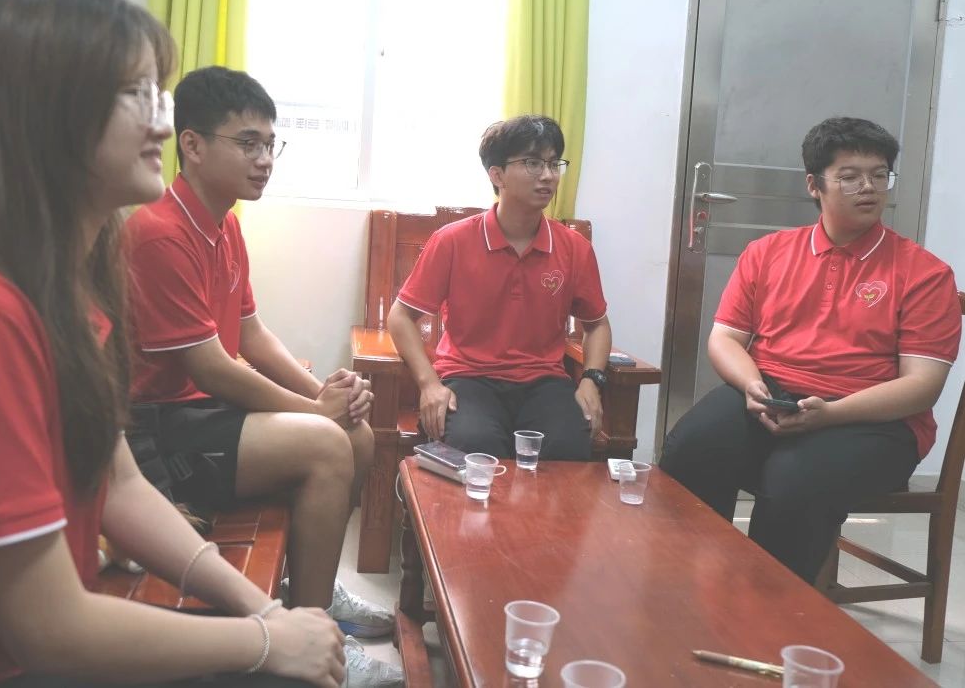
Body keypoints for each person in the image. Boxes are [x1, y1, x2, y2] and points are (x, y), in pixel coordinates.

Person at [0, 0, 346, 688]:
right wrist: (263, 643)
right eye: (136, 95)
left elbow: (121, 487)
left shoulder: (64, 281)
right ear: (46, 112)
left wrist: (266, 614)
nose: (161, 123)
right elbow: (50, 628)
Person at [124, 66, 401, 687]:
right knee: (326, 443)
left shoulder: (225, 224)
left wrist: (323, 394)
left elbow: (251, 335)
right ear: (192, 145)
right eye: (247, 143)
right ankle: (313, 639)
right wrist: (317, 413)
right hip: (161, 433)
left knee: (356, 434)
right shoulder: (159, 234)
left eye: (271, 144)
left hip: (203, 413)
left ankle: (315, 594)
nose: (265, 160)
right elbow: (212, 367)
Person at [659, 116, 961, 584]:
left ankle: (767, 608)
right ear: (813, 185)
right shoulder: (767, 252)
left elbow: (922, 386)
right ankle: (685, 587)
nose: (869, 187)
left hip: (873, 418)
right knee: (691, 448)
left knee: (794, 480)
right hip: (773, 395)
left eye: (880, 175)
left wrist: (832, 415)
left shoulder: (924, 273)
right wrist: (752, 385)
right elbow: (725, 340)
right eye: (850, 176)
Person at [386, 115, 612, 460]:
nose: (548, 175)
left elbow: (597, 324)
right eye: (533, 163)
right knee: (474, 445)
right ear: (497, 174)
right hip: (468, 378)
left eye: (554, 164)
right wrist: (429, 383)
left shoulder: (574, 248)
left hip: (544, 382)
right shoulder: (452, 241)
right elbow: (400, 316)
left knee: (566, 446)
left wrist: (591, 380)